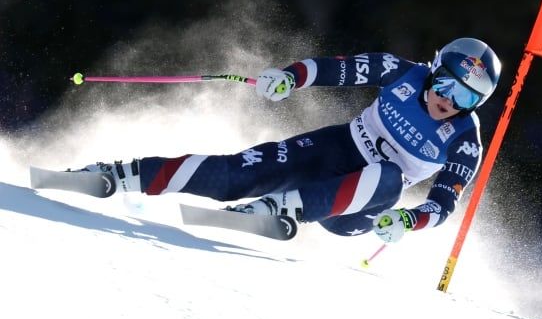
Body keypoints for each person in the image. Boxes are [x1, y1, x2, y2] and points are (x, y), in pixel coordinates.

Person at [86, 37, 501, 243]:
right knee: (239, 172)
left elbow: (443, 203)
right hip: (335, 147)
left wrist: (409, 221)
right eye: (447, 84)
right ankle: (123, 173)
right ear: (433, 71)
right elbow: (338, 69)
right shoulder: (400, 71)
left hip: (358, 206)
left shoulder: (465, 139)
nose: (449, 100)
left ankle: (275, 209)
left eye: (467, 96)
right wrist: (289, 77)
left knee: (390, 176)